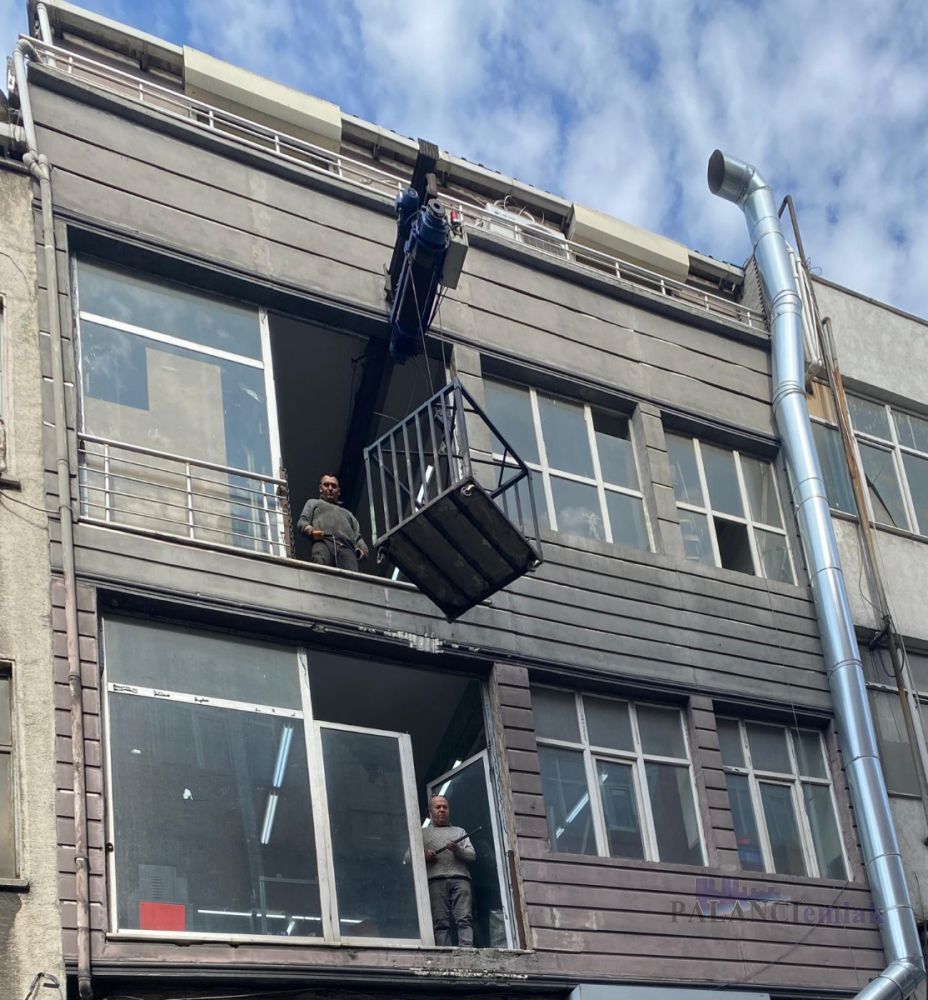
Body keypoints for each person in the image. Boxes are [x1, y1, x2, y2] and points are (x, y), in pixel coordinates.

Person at [422, 794, 476, 947]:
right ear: (430, 812)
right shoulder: (422, 833)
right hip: (435, 880)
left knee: (464, 918)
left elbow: (472, 855)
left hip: (460, 879)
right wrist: (424, 856)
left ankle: (467, 950)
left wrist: (457, 849)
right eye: (437, 807)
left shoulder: (459, 831)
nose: (441, 810)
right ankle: (444, 952)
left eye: (444, 807)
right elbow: (408, 857)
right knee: (440, 922)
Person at [297, 474, 369, 572]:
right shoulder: (313, 503)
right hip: (323, 542)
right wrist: (310, 530)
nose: (330, 488)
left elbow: (357, 536)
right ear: (320, 488)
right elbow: (302, 521)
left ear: (338, 491)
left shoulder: (348, 514)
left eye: (334, 486)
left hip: (347, 548)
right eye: (326, 485)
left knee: (352, 577)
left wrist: (362, 550)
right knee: (320, 571)